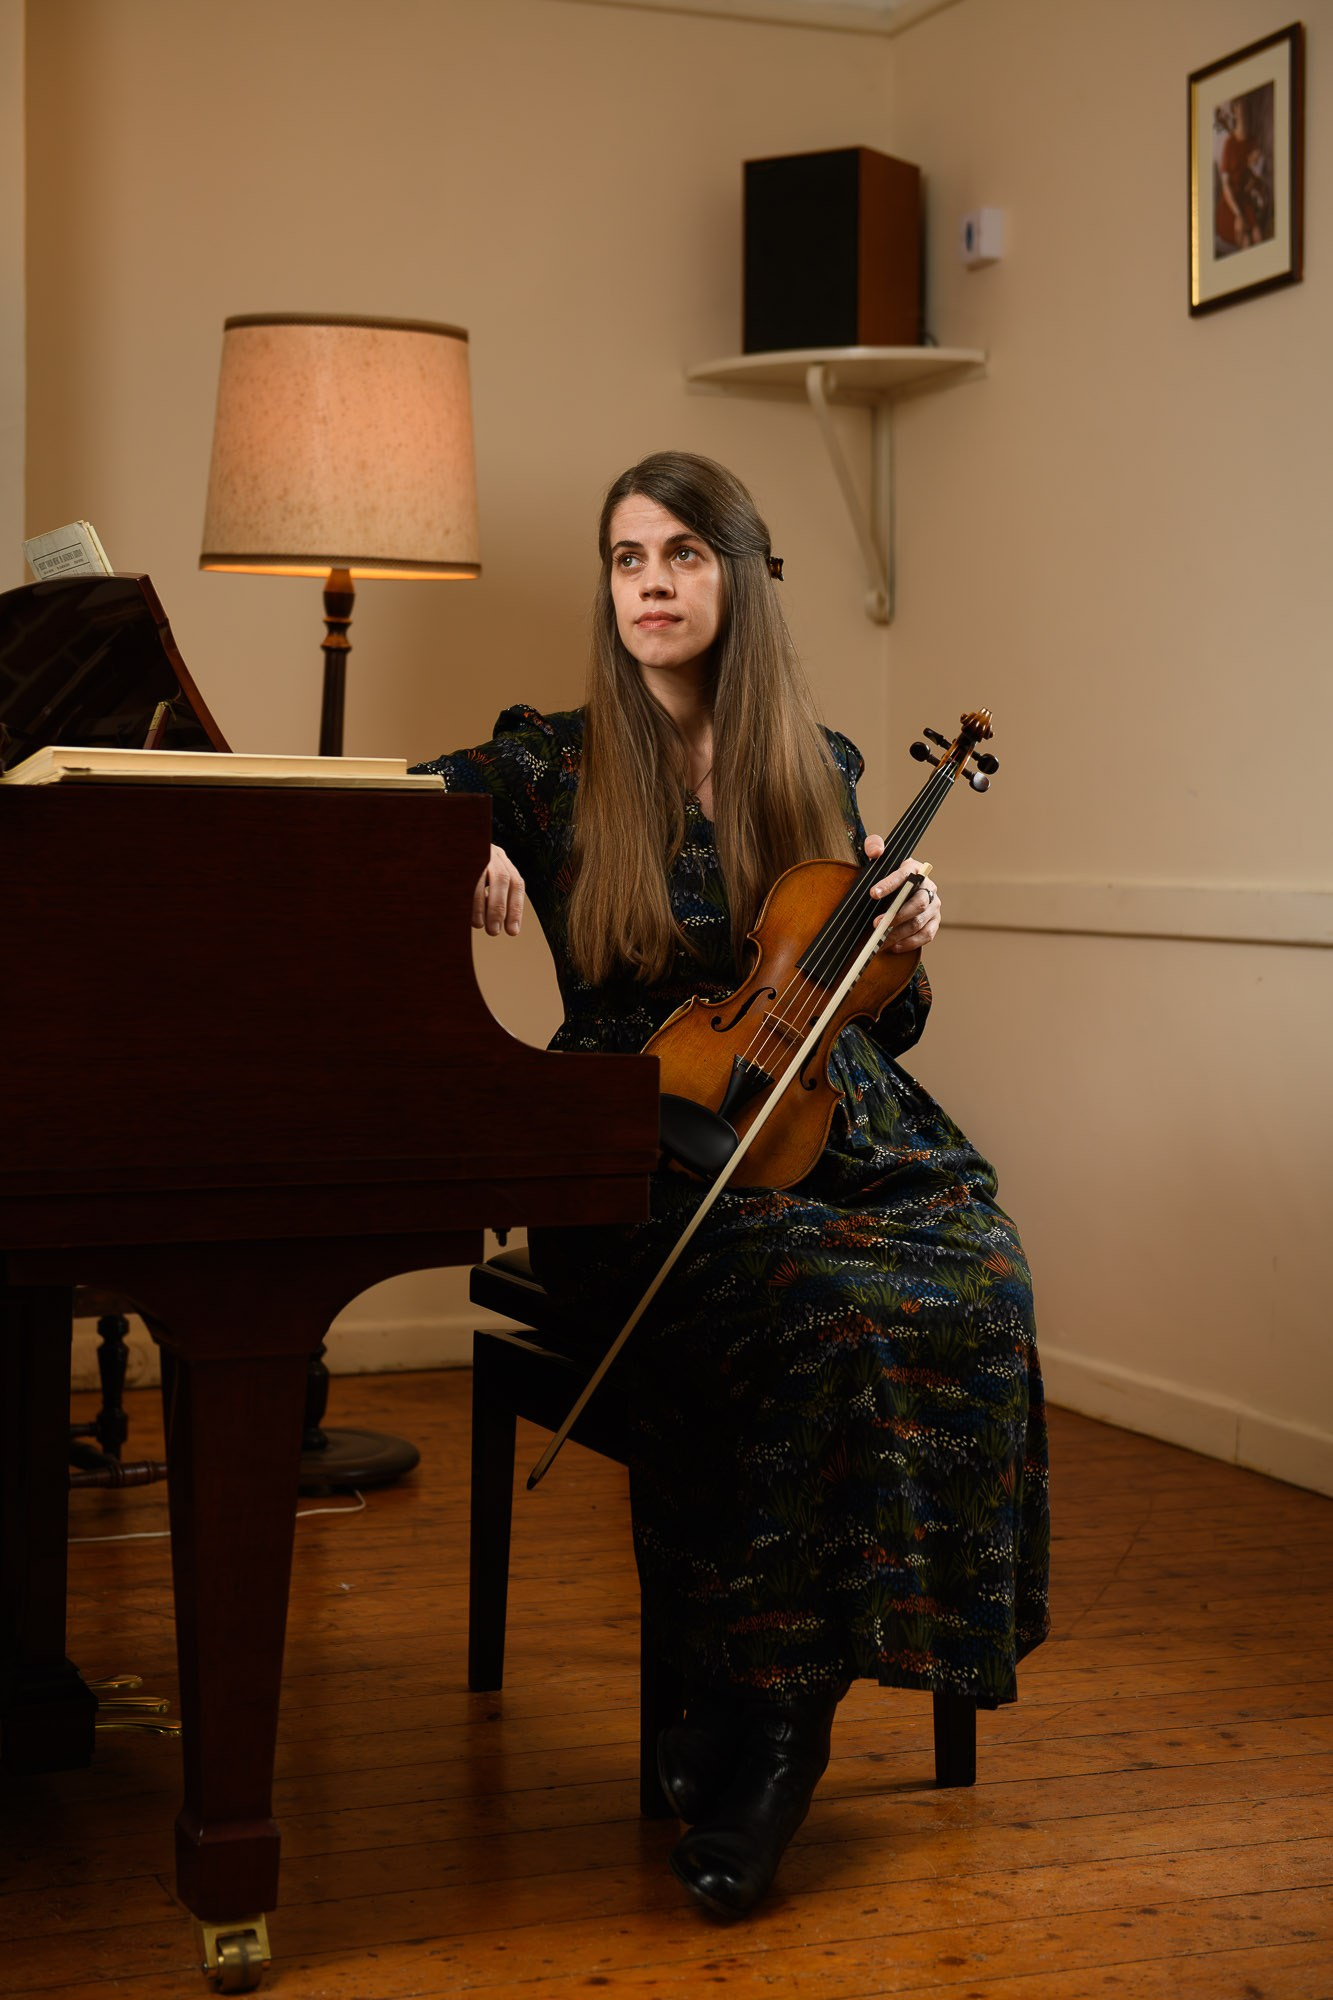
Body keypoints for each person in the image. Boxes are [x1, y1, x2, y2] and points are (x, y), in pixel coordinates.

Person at [414, 451, 1049, 1920]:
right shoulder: (548, 762)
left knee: (981, 1273)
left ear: (742, 578)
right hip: (636, 1140)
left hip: (838, 1128)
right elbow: (372, 822)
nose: (650, 583)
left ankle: (773, 1706)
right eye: (627, 557)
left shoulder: (818, 765)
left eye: (683, 555)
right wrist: (452, 857)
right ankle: (767, 1736)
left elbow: (877, 1020)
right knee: (811, 1305)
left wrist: (902, 941)